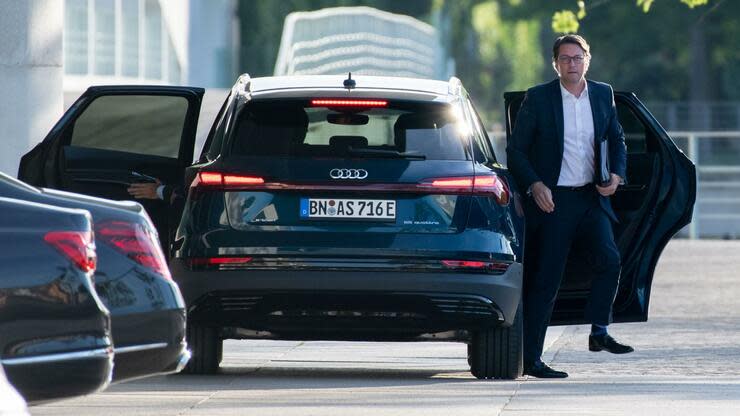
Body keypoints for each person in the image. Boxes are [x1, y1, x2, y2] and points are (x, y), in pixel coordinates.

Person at [506, 34, 633, 379]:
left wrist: (617, 175)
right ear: (555, 64)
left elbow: (617, 138)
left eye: (577, 58)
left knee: (609, 260)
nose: (571, 64)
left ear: (587, 60)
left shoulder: (603, 95)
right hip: (554, 201)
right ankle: (531, 360)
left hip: (591, 197)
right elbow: (516, 151)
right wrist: (535, 184)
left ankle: (599, 332)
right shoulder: (539, 98)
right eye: (564, 59)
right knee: (546, 280)